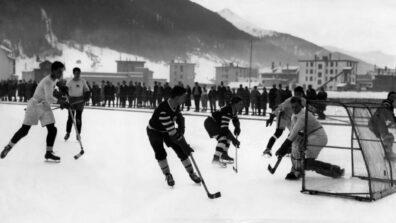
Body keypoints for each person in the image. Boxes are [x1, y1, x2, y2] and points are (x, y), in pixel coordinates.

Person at [1, 61, 68, 162]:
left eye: (62, 72)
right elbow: (49, 98)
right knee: (24, 130)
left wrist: (61, 86)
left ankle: (48, 153)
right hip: (34, 105)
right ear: (53, 71)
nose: (61, 74)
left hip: (44, 105)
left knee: (52, 129)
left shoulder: (53, 79)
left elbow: (54, 86)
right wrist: (61, 102)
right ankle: (8, 147)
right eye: (59, 72)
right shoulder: (48, 81)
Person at [275, 97, 344, 180]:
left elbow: (293, 134)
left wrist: (282, 148)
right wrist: (285, 147)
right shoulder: (294, 115)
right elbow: (292, 132)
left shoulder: (303, 116)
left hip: (318, 137)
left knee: (306, 163)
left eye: (296, 107)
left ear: (301, 106)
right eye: (292, 107)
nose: (294, 109)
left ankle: (334, 171)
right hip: (311, 136)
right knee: (296, 148)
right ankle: (296, 171)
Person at [146, 86, 201, 187]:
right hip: (154, 131)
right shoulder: (163, 110)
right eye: (183, 96)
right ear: (176, 97)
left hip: (167, 129)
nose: (186, 99)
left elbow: (179, 117)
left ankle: (192, 173)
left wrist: (181, 127)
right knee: (161, 153)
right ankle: (167, 175)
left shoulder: (176, 104)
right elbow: (173, 133)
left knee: (180, 150)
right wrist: (184, 144)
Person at [263, 86, 306, 157]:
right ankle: (268, 149)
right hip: (283, 117)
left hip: (291, 119)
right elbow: (279, 107)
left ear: (302, 94)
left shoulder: (303, 101)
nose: (297, 96)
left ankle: (288, 149)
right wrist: (272, 116)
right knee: (278, 133)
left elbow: (310, 107)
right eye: (296, 94)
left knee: (294, 133)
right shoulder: (289, 101)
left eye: (299, 94)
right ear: (294, 93)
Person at [204, 96, 244, 166]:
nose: (242, 106)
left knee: (227, 137)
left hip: (217, 124)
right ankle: (215, 160)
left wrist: (237, 127)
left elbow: (235, 119)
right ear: (234, 104)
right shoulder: (227, 110)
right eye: (240, 104)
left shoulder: (233, 110)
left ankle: (224, 155)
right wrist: (234, 139)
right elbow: (224, 129)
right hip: (211, 123)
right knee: (222, 139)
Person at [64, 67, 90, 141]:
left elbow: (87, 89)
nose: (78, 74)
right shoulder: (69, 81)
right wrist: (64, 91)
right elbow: (65, 90)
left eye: (79, 73)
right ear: (74, 73)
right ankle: (68, 133)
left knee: (78, 118)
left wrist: (87, 95)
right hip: (71, 102)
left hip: (80, 102)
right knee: (70, 118)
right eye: (76, 73)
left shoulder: (82, 81)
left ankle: (78, 134)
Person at [368, 91, 396, 159]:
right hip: (377, 123)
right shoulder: (387, 104)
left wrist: (392, 121)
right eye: (392, 96)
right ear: (389, 97)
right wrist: (392, 122)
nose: (394, 98)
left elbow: (388, 117)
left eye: (395, 97)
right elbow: (385, 114)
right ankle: (388, 154)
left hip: (377, 123)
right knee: (388, 137)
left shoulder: (388, 105)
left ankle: (388, 153)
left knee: (388, 137)